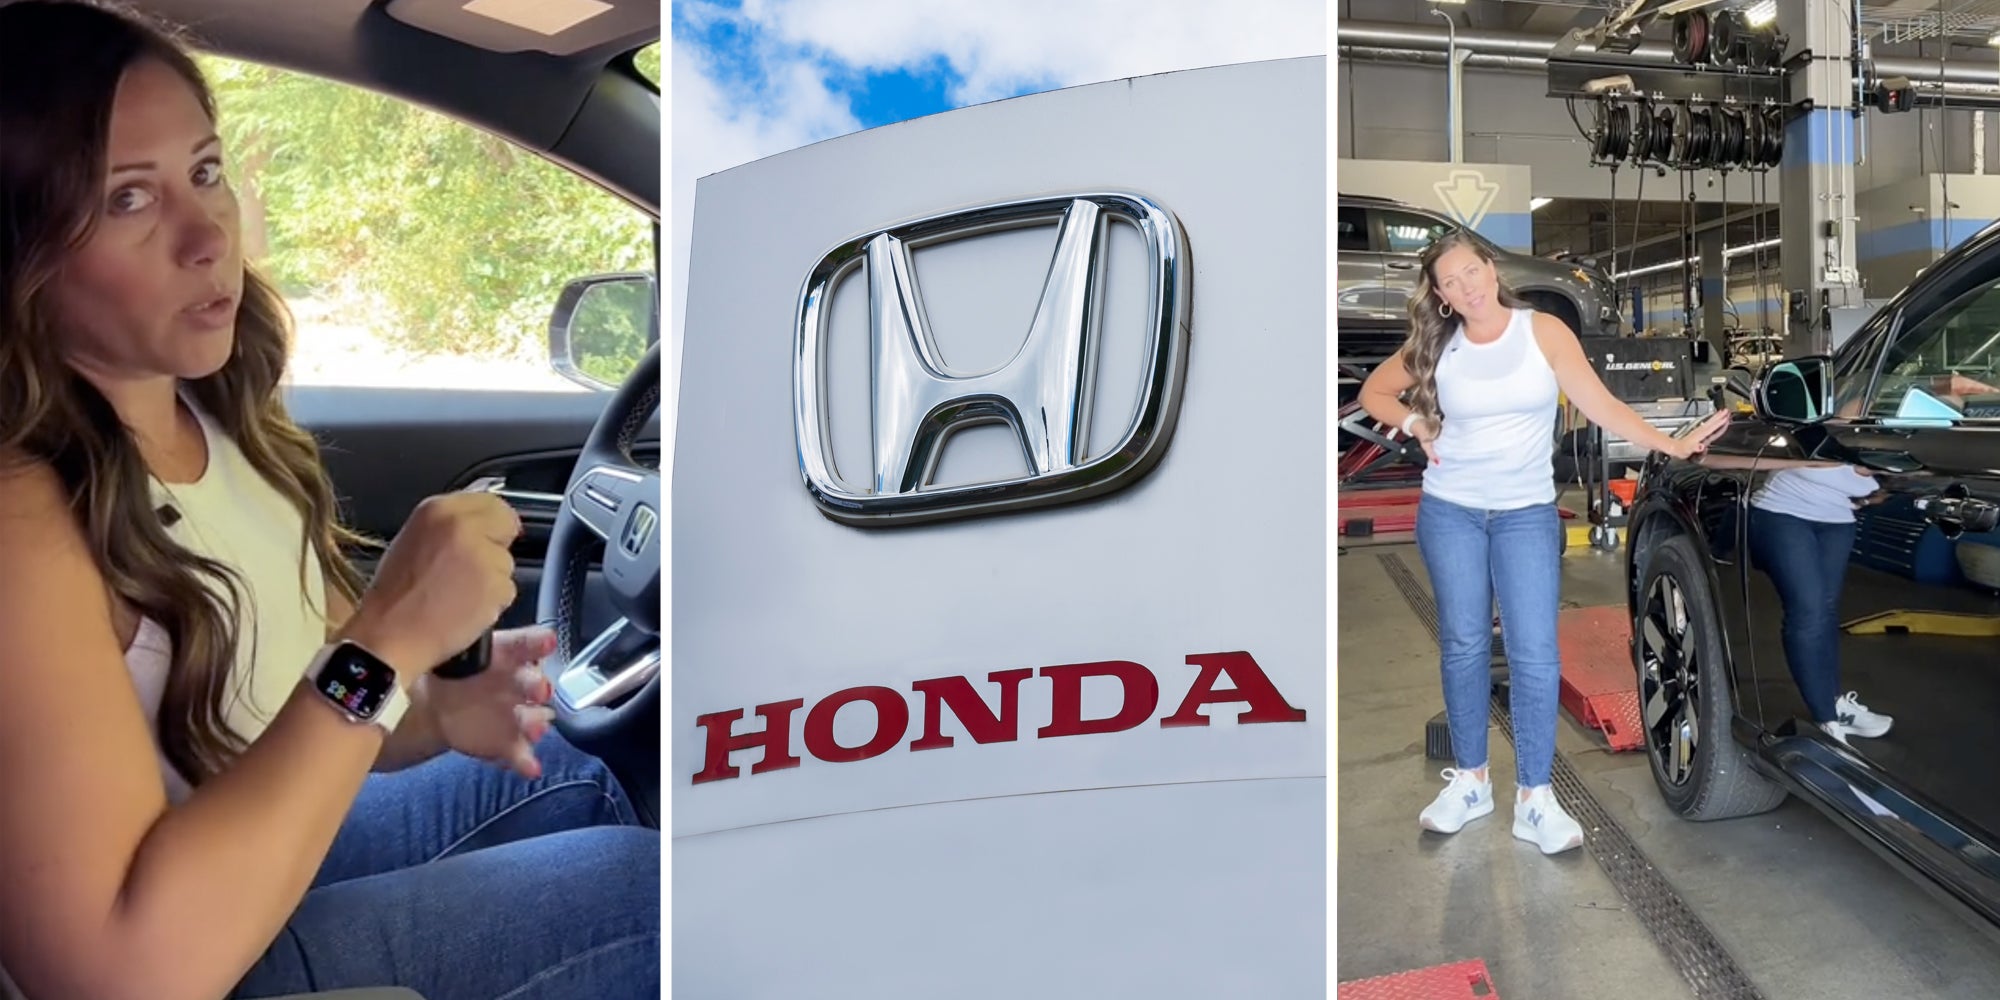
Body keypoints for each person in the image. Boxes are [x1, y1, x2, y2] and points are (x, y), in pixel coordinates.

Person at [0, 3, 658, 999]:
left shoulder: (207, 415)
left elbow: (312, 704)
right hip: (179, 955)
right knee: (641, 898)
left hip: (229, 859)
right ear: (23, 254)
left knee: (573, 767)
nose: (204, 234)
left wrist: (432, 707)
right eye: (128, 199)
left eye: (206, 171)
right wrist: (388, 638)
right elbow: (115, 972)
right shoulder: (24, 522)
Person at [1359, 229, 1729, 855]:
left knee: (1535, 654)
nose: (1464, 287)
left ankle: (1535, 796)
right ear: (1441, 296)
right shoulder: (1437, 342)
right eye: (1449, 282)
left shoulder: (1542, 332)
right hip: (1451, 510)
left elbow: (1601, 404)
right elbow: (1374, 391)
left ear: (1489, 268)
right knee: (1465, 643)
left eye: (1470, 272)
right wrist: (1416, 419)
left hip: (1524, 513)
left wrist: (1671, 444)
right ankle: (1472, 782)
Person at [1747, 466, 1894, 746]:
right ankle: (1827, 722)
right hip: (1783, 513)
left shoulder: (1897, 432)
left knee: (1825, 612)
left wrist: (1880, 491)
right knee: (1809, 612)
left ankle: (1834, 704)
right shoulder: (1832, 428)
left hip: (1838, 520)